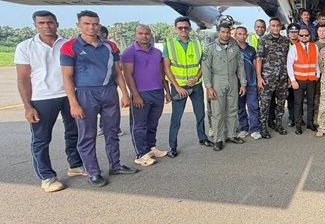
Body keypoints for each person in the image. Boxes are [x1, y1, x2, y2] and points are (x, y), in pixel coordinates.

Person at [60, 10, 138, 187]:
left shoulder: (110, 46)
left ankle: (115, 165)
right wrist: (73, 103)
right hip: (85, 93)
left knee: (112, 131)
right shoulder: (70, 47)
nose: (91, 27)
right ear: (78, 25)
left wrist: (125, 93)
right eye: (86, 23)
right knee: (87, 135)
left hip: (109, 91)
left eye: (95, 24)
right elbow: (67, 77)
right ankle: (93, 172)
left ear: (99, 25)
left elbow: (117, 71)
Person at [15, 10, 86, 192]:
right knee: (41, 139)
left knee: (74, 132)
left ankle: (75, 165)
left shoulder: (69, 44)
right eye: (42, 23)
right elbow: (23, 78)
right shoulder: (25, 47)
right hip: (42, 98)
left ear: (57, 24)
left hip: (70, 95)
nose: (46, 25)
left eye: (50, 22)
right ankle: (47, 176)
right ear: (35, 25)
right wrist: (28, 106)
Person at [121, 24, 171, 166]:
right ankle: (141, 154)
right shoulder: (129, 52)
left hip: (157, 91)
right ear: (135, 35)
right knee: (140, 125)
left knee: (153, 122)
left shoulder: (157, 52)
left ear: (151, 35)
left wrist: (167, 91)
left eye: (147, 33)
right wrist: (135, 95)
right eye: (141, 33)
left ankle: (151, 147)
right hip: (141, 93)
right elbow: (128, 76)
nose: (144, 36)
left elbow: (161, 73)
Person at [162, 16, 212, 157]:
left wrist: (196, 78)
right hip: (179, 86)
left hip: (195, 85)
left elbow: (203, 64)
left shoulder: (197, 43)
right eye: (180, 28)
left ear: (190, 29)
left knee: (200, 113)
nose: (183, 30)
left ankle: (202, 137)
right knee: (176, 118)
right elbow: (166, 68)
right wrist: (177, 87)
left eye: (186, 27)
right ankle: (172, 146)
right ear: (175, 29)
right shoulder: (169, 44)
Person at [202, 23, 246, 151]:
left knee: (232, 109)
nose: (226, 35)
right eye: (223, 32)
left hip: (232, 80)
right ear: (218, 32)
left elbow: (240, 66)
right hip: (217, 80)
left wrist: (243, 83)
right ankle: (218, 139)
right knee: (217, 112)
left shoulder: (235, 48)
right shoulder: (210, 48)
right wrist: (209, 87)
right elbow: (206, 69)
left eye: (227, 32)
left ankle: (231, 135)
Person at [257, 18, 291, 138]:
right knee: (265, 104)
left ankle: (279, 124)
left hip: (282, 77)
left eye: (277, 25)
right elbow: (259, 58)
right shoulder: (263, 40)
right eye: (273, 25)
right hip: (268, 77)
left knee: (281, 103)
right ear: (269, 27)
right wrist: (259, 77)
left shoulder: (285, 40)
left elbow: (288, 59)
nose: (275, 28)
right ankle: (263, 127)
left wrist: (289, 77)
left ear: (281, 27)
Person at [287, 27, 320, 134]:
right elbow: (289, 65)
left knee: (311, 103)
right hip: (299, 80)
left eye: (306, 35)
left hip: (312, 80)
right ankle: (298, 126)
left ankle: (310, 123)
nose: (304, 37)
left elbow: (317, 61)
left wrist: (318, 74)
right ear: (298, 36)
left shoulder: (314, 46)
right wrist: (293, 80)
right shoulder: (294, 48)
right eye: (301, 35)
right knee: (298, 103)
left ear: (309, 36)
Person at [235, 26, 262, 139]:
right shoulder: (233, 49)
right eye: (239, 34)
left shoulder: (251, 49)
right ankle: (244, 128)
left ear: (247, 35)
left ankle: (255, 129)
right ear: (235, 35)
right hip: (237, 84)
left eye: (244, 34)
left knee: (253, 106)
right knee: (240, 107)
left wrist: (258, 79)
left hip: (251, 83)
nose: (242, 36)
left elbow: (256, 66)